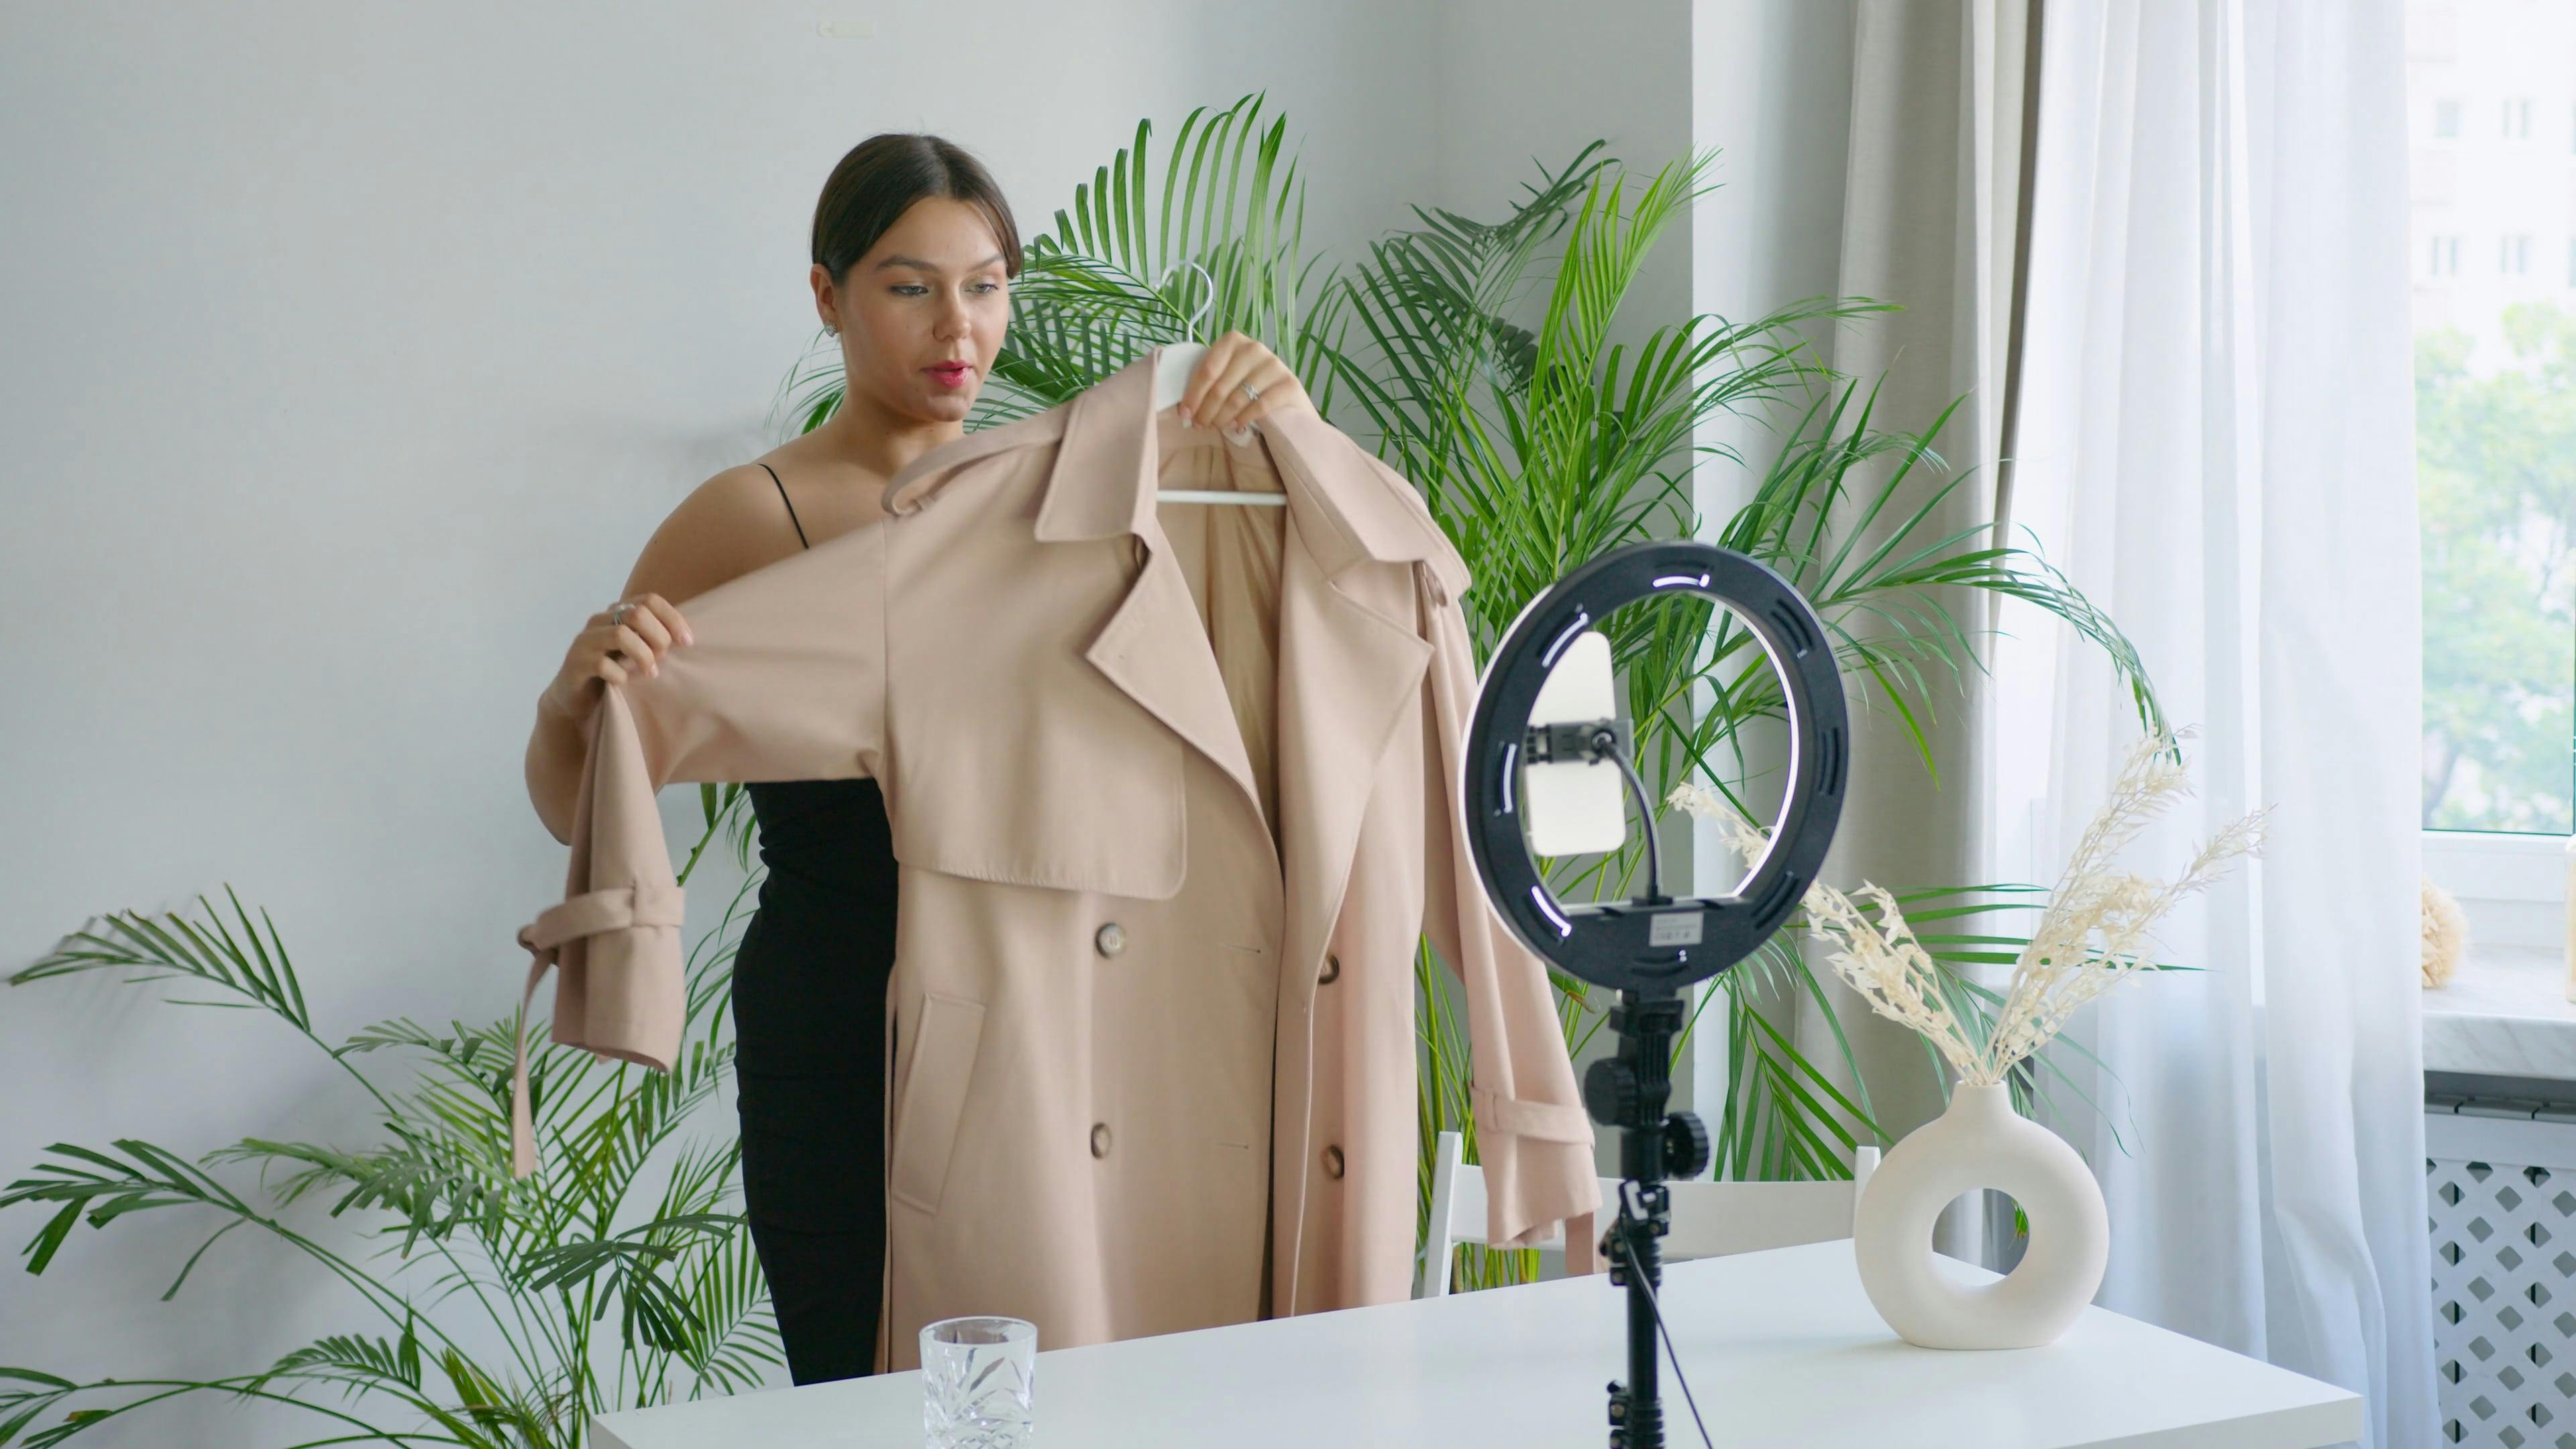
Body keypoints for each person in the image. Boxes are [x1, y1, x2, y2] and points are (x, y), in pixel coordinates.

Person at [522, 131, 1314, 1385]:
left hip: (1042, 1011)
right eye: (910, 287)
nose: (959, 328)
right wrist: (578, 697)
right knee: (859, 1388)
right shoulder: (755, 515)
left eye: (986, 286)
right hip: (840, 1020)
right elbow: (579, 795)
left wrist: (1280, 423)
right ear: (828, 296)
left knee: (1058, 1375)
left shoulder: (1064, 499)